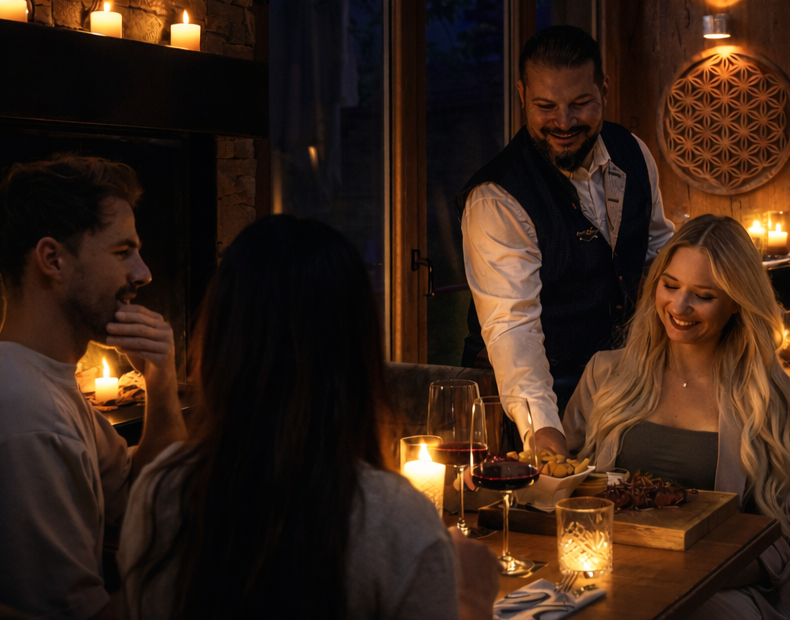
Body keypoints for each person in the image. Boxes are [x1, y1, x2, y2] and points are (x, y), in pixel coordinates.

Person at [117, 215, 500, 620]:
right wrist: (472, 599)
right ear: (355, 352)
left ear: (218, 343)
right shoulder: (394, 519)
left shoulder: (159, 491)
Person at [564, 214, 790, 619]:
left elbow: (780, 540)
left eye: (704, 295)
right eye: (670, 285)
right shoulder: (605, 373)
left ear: (736, 303)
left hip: (715, 588)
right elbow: (562, 486)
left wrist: (685, 577)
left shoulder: (769, 395)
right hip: (605, 576)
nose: (679, 306)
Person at [458, 26, 674, 454]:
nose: (563, 122)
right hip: (530, 397)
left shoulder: (633, 152)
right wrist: (542, 427)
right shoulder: (497, 198)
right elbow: (512, 327)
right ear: (522, 95)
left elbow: (657, 256)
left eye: (579, 104)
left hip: (621, 387)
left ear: (604, 90)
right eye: (545, 106)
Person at [0, 155, 187, 619]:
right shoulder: (30, 418)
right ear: (52, 259)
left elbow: (144, 498)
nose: (143, 274)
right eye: (123, 252)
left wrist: (160, 379)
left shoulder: (48, 382)